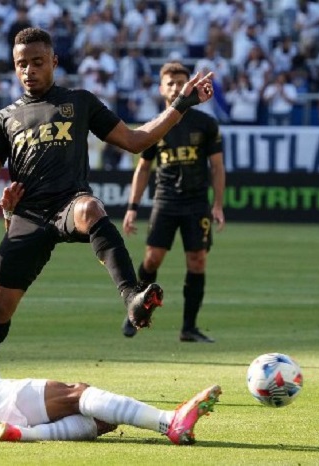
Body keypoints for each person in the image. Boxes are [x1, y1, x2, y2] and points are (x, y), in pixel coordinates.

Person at [0, 174, 222, 443]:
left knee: (93, 421)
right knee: (76, 392)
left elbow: (12, 270)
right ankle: (170, 422)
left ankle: (21, 435)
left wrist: (10, 217)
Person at [0, 27, 216, 352]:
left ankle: (132, 297)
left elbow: (135, 140)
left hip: (68, 205)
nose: (29, 70)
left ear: (54, 61)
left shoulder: (79, 102)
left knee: (90, 208)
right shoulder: (6, 118)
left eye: (37, 62)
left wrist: (181, 105)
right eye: (21, 64)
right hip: (27, 216)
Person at [123, 62, 225, 343]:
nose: (177, 87)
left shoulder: (206, 124)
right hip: (165, 200)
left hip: (196, 203)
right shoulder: (156, 125)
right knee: (152, 258)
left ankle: (189, 328)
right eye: (171, 83)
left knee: (197, 260)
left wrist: (217, 204)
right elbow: (143, 168)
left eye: (181, 82)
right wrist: (132, 207)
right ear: (161, 88)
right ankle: (136, 312)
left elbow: (217, 167)